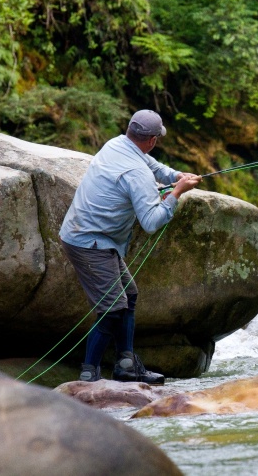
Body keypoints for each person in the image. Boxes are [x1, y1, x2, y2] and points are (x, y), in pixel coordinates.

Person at [60, 109, 201, 384]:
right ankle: (88, 376)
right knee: (113, 307)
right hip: (88, 242)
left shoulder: (116, 144)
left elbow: (149, 164)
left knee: (129, 294)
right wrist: (176, 194)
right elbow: (151, 222)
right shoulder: (137, 174)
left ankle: (125, 365)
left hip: (97, 238)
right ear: (151, 140)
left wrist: (174, 175)